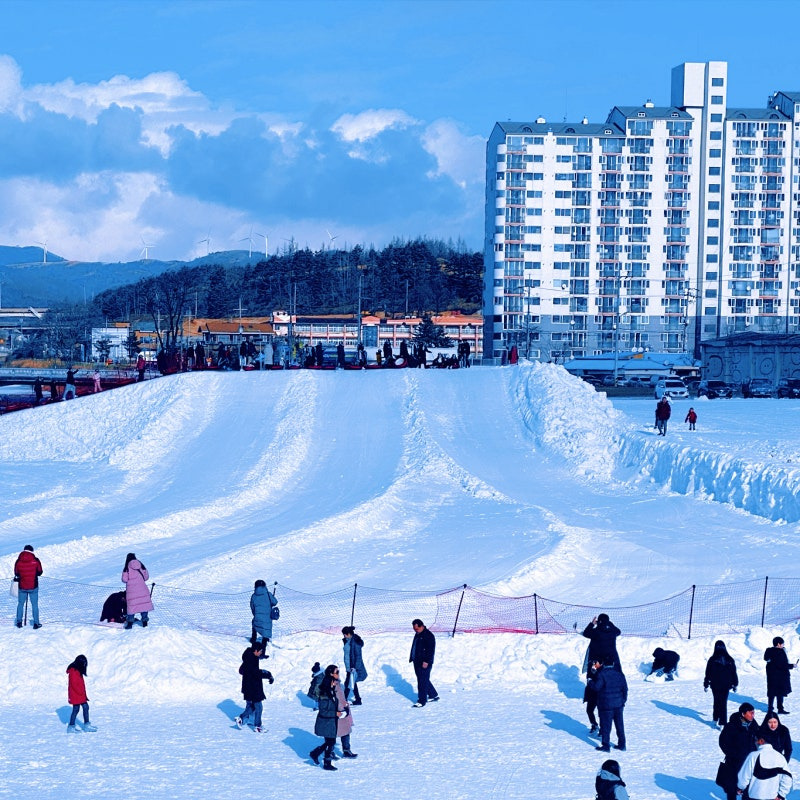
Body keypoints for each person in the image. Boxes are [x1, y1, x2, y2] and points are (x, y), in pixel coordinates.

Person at [718, 702, 759, 800]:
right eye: (750, 713)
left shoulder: (754, 725)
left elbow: (760, 737)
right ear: (743, 714)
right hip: (734, 762)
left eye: (753, 712)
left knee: (748, 787)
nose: (753, 715)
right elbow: (723, 742)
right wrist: (733, 754)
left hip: (749, 762)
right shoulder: (731, 726)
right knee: (732, 787)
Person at [309, 665, 345, 771]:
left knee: (330, 742)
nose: (338, 674)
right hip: (326, 722)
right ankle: (326, 762)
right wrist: (336, 713)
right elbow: (324, 711)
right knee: (330, 742)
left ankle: (315, 754)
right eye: (336, 672)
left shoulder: (331, 689)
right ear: (331, 675)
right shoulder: (325, 693)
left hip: (330, 722)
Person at [737, 733, 793, 800]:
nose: (755, 742)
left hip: (754, 797)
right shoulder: (780, 757)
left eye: (756, 740)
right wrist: (781, 795)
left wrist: (740, 788)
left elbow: (743, 778)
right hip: (773, 797)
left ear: (761, 741)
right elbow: (787, 777)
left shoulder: (753, 756)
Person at [590, 656, 627, 752]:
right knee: (620, 725)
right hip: (618, 705)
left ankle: (606, 746)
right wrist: (622, 701)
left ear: (604, 664)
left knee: (606, 726)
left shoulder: (601, 674)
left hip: (606, 705)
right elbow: (625, 689)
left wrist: (590, 682)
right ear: (613, 664)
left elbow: (597, 687)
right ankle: (622, 745)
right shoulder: (620, 675)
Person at [234, 642, 273, 733]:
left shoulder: (250, 657)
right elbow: (255, 673)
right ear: (255, 650)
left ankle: (241, 718)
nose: (260, 653)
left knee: (254, 706)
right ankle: (257, 726)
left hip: (250, 686)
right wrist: (267, 674)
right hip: (253, 687)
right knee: (258, 707)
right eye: (260, 651)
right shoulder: (251, 660)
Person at [705, 640, 739, 727]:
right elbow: (734, 673)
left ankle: (715, 719)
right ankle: (722, 722)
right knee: (723, 703)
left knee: (716, 701)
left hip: (715, 684)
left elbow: (708, 673)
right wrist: (735, 684)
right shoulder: (729, 659)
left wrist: (706, 684)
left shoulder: (712, 659)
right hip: (725, 685)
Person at [409, 618, 438, 707]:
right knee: (423, 679)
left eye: (417, 629)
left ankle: (422, 701)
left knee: (421, 681)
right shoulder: (418, 634)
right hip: (417, 661)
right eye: (414, 629)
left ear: (422, 626)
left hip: (424, 662)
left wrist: (426, 661)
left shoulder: (428, 636)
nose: (415, 630)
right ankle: (433, 695)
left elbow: (430, 650)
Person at [13, 544, 43, 629]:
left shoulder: (18, 561)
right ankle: (36, 623)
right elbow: (40, 572)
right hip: (33, 586)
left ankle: (19, 622)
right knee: (34, 605)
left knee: (20, 604)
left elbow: (16, 573)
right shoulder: (35, 560)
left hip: (22, 586)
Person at [121, 552, 153, 629]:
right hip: (142, 589)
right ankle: (144, 621)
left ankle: (130, 623)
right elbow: (146, 577)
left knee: (132, 607)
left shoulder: (126, 568)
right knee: (144, 605)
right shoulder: (141, 565)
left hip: (132, 592)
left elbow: (124, 579)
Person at [66, 654, 97, 732]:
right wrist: (81, 693)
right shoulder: (73, 671)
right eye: (83, 663)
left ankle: (86, 725)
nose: (84, 665)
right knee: (76, 709)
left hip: (80, 695)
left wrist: (83, 693)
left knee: (85, 707)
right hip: (76, 695)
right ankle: (71, 727)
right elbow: (74, 684)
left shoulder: (78, 669)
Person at [765, 636, 796, 714]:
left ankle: (770, 709)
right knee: (780, 692)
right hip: (781, 676)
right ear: (778, 644)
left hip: (771, 676)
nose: (783, 645)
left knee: (771, 692)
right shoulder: (780, 652)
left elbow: (769, 661)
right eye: (782, 643)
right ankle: (780, 709)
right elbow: (782, 665)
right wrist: (792, 666)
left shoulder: (769, 651)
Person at [333, 663, 357, 758]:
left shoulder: (338, 683)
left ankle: (347, 750)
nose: (338, 674)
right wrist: (340, 709)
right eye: (336, 672)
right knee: (333, 734)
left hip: (343, 709)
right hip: (337, 711)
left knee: (346, 731)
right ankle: (329, 752)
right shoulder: (331, 685)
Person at [342, 626, 367, 705]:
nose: (344, 636)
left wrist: (354, 668)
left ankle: (343, 701)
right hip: (349, 667)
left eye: (345, 634)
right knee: (352, 683)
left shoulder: (355, 643)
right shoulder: (349, 641)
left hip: (352, 667)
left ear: (349, 634)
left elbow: (358, 656)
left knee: (347, 684)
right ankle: (358, 699)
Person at [250, 579, 278, 647]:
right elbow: (275, 602)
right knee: (266, 628)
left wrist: (256, 614)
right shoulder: (268, 594)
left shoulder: (253, 596)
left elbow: (252, 607)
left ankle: (253, 638)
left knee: (254, 624)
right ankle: (264, 643)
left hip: (257, 617)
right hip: (267, 617)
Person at [584, 659, 600, 736]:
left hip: (600, 692)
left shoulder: (601, 663)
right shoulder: (590, 664)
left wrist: (596, 671)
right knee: (589, 710)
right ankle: (594, 724)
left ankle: (603, 729)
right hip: (591, 692)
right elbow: (589, 676)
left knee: (601, 712)